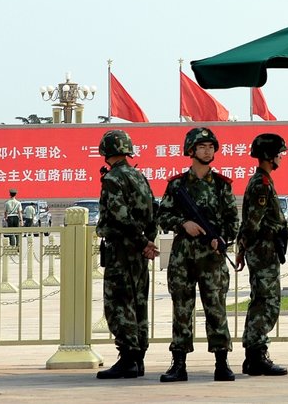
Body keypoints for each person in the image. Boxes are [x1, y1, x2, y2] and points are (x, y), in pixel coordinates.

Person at [157, 127, 239, 383]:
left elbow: (232, 221)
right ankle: (179, 363)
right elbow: (163, 216)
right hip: (183, 257)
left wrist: (222, 238)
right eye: (202, 147)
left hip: (212, 259)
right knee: (182, 309)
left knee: (216, 309)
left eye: (211, 146)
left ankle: (222, 363)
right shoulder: (177, 185)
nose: (208, 150)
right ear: (191, 151)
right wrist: (183, 224)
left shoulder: (222, 186)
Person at [95, 129, 159, 380]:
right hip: (139, 251)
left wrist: (141, 241)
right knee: (138, 301)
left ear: (106, 151)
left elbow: (120, 215)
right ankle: (138, 358)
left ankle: (128, 358)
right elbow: (154, 210)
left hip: (122, 249)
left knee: (119, 303)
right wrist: (147, 241)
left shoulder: (113, 179)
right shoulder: (139, 176)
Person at [235, 133, 288, 377]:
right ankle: (257, 354)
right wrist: (244, 247)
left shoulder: (263, 181)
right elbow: (252, 222)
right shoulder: (262, 184)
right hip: (263, 251)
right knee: (266, 302)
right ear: (269, 156)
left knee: (262, 300)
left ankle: (253, 355)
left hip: (263, 249)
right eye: (278, 153)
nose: (280, 157)